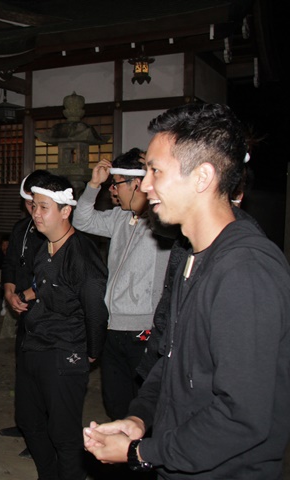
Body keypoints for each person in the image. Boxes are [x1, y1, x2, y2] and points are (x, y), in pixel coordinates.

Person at [83, 104, 290, 479]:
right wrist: (139, 418)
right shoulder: (191, 256)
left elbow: (242, 415)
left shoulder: (245, 271)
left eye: (156, 171)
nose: (146, 185)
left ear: (202, 177)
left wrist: (141, 453)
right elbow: (171, 361)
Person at [15, 173, 108, 480]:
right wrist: (26, 295)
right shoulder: (46, 246)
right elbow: (47, 285)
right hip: (35, 343)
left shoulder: (81, 254)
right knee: (28, 421)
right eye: (34, 206)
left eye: (44, 207)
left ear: (66, 211)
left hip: (65, 349)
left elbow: (96, 308)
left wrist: (91, 351)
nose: (36, 213)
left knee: (63, 433)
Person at [72, 149, 172, 420]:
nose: (112, 191)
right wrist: (93, 185)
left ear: (136, 184)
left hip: (144, 329)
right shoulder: (119, 217)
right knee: (115, 402)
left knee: (143, 405)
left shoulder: (162, 222)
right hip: (112, 325)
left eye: (116, 184)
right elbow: (82, 220)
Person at [0, 169, 55, 458]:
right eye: (29, 203)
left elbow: (53, 276)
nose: (33, 209)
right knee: (23, 369)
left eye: (39, 203)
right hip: (22, 309)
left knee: (44, 374)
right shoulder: (21, 227)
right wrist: (9, 291)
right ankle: (26, 424)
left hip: (48, 313)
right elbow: (10, 263)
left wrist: (25, 295)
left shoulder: (55, 231)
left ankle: (42, 433)